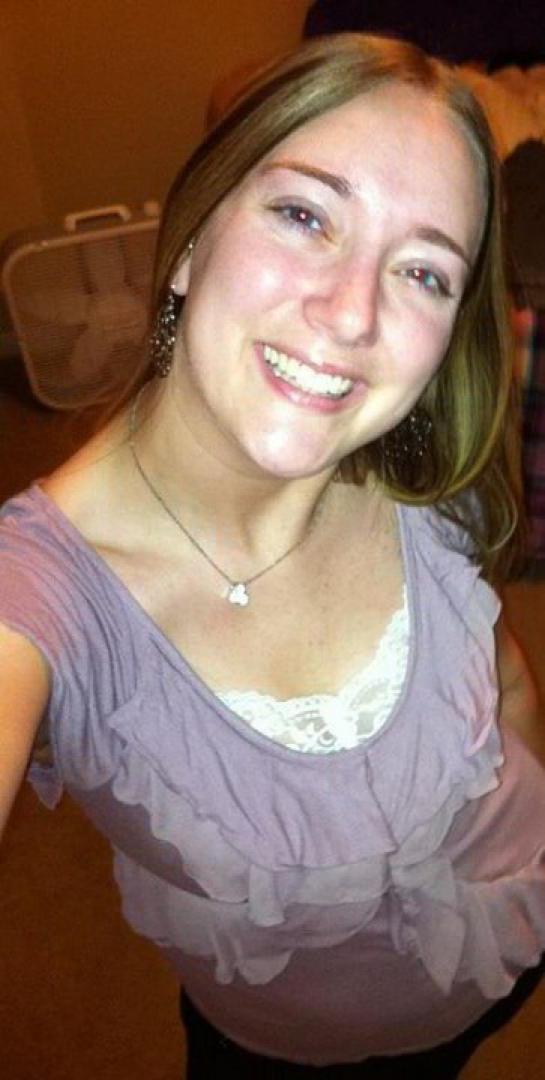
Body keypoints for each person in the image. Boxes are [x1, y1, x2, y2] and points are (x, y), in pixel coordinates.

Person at [1, 32, 544, 1079]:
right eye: (304, 215)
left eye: (422, 271)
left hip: (508, 936)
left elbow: (507, 679)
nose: (352, 313)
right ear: (193, 234)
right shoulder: (39, 598)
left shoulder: (425, 475)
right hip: (286, 1048)